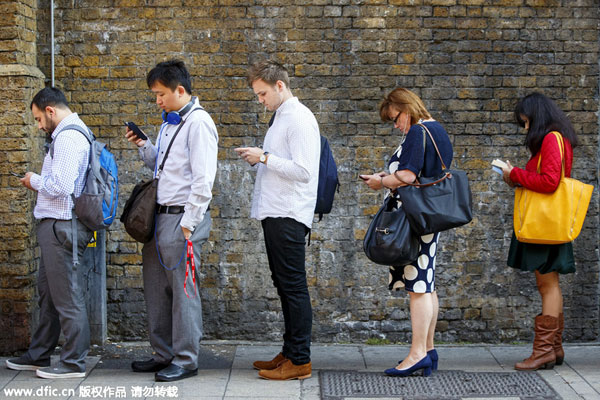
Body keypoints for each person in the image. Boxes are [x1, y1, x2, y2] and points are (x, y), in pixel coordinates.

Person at [125, 60, 218, 382]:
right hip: (158, 218)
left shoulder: (199, 123)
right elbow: (163, 168)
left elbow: (204, 180)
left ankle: (186, 359)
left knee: (183, 292)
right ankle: (162, 353)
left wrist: (189, 224)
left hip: (181, 219)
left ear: (180, 90)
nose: (157, 101)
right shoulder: (169, 123)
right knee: (156, 290)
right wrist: (145, 146)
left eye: (160, 94)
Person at [235, 60, 320, 380]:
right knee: (285, 286)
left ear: (280, 86)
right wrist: (261, 159)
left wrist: (265, 157)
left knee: (294, 287)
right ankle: (289, 352)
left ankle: (300, 359)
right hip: (275, 211)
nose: (260, 100)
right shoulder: (281, 118)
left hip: (288, 213)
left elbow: (303, 171)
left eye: (262, 93)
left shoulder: (299, 118)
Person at [360, 88, 453, 377]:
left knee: (418, 286)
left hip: (413, 217)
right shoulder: (437, 129)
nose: (396, 125)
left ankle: (417, 354)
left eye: (396, 117)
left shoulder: (417, 131)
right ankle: (428, 348)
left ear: (407, 108)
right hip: (429, 216)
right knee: (428, 282)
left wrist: (381, 180)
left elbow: (408, 176)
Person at [6, 87, 94, 378]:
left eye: (38, 119)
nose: (39, 125)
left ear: (50, 111)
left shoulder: (68, 137)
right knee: (50, 294)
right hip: (56, 226)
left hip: (62, 225)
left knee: (67, 296)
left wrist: (34, 180)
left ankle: (72, 363)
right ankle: (40, 354)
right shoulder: (67, 135)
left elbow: (62, 186)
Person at [501, 92, 578, 371]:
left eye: (526, 121)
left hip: (544, 223)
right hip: (550, 221)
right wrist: (517, 178)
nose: (525, 128)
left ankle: (544, 351)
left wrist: (515, 174)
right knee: (550, 284)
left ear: (537, 117)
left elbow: (549, 182)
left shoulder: (550, 138)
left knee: (547, 285)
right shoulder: (559, 138)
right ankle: (554, 348)